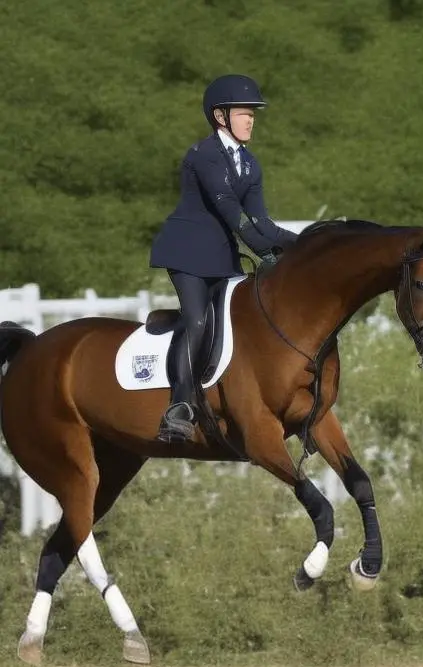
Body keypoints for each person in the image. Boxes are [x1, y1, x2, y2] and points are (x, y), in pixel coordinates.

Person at [150, 73, 297, 443]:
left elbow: (262, 221)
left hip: (221, 256)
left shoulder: (251, 164)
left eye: (253, 113)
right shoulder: (203, 156)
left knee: (240, 320)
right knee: (198, 321)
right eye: (244, 112)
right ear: (221, 116)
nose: (251, 119)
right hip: (187, 252)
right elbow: (234, 214)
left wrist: (304, 244)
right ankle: (179, 406)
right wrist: (265, 251)